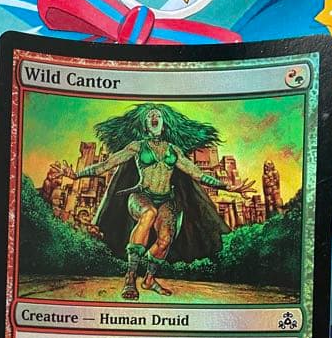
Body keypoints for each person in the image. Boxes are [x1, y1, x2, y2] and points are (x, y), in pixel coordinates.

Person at [61, 102, 255, 299]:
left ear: (164, 124)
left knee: (165, 240)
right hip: (141, 197)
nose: (154, 118)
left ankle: (149, 279)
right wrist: (76, 175)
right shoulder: (137, 146)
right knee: (149, 213)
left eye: (158, 116)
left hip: (166, 200)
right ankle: (130, 277)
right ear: (145, 125)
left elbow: (197, 174)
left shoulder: (174, 151)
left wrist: (227, 187)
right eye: (150, 116)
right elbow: (106, 165)